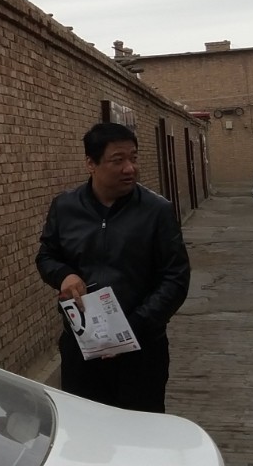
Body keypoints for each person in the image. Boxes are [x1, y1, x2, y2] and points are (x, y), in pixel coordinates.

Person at [35, 122, 191, 413]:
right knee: (87, 426)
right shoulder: (65, 207)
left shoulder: (157, 211)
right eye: (118, 160)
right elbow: (47, 256)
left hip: (142, 348)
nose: (129, 168)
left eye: (133, 158)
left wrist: (130, 328)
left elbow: (176, 279)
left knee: (141, 430)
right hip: (82, 346)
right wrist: (64, 275)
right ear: (91, 164)